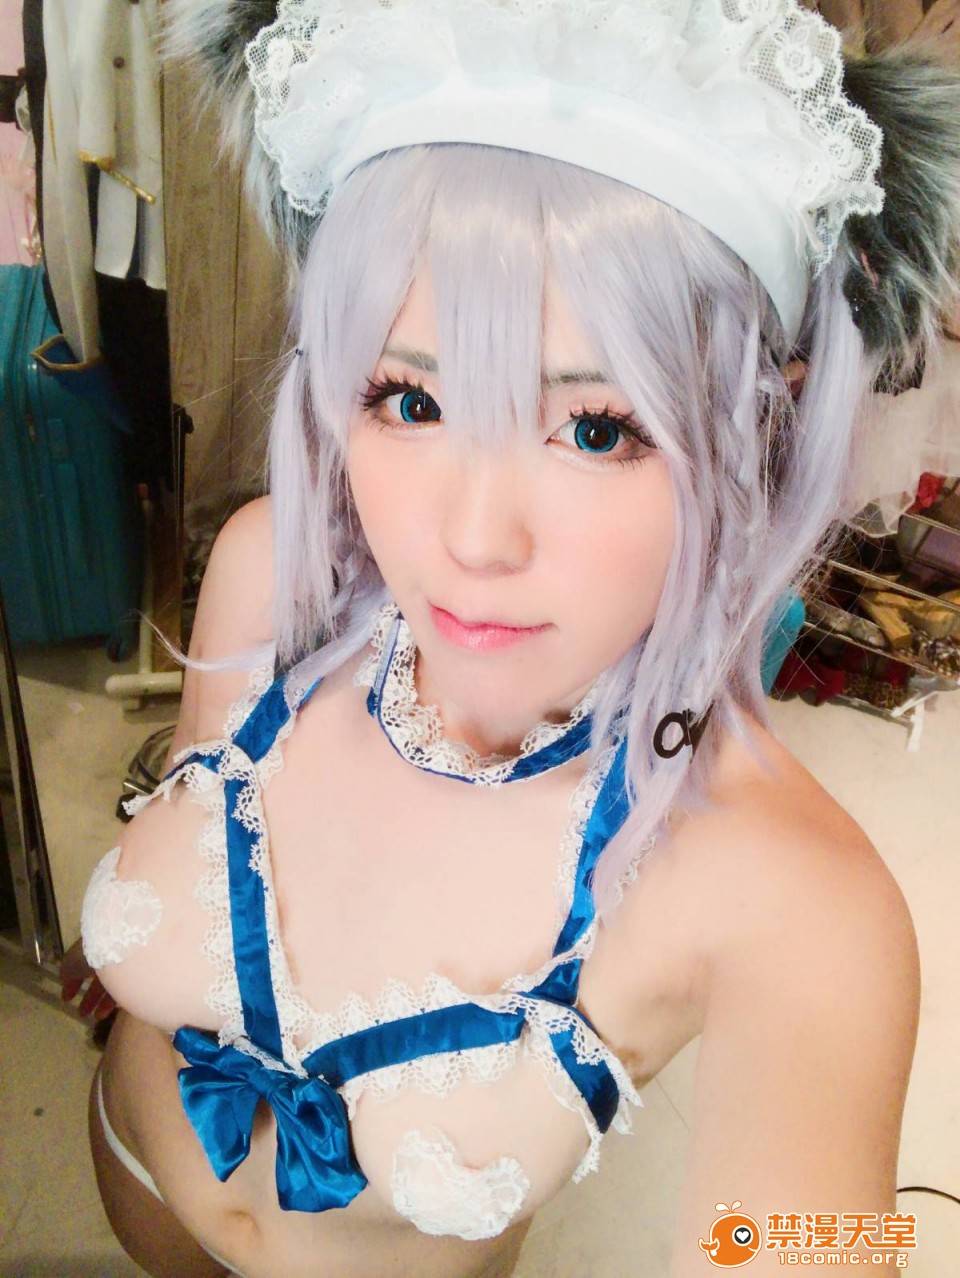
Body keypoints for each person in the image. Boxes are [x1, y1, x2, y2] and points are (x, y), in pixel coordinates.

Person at [62, 1, 960, 1274]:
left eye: (596, 430)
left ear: (759, 426)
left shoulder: (800, 904)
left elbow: (799, 1244)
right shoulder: (274, 574)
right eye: (410, 399)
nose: (472, 539)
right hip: (132, 1173)